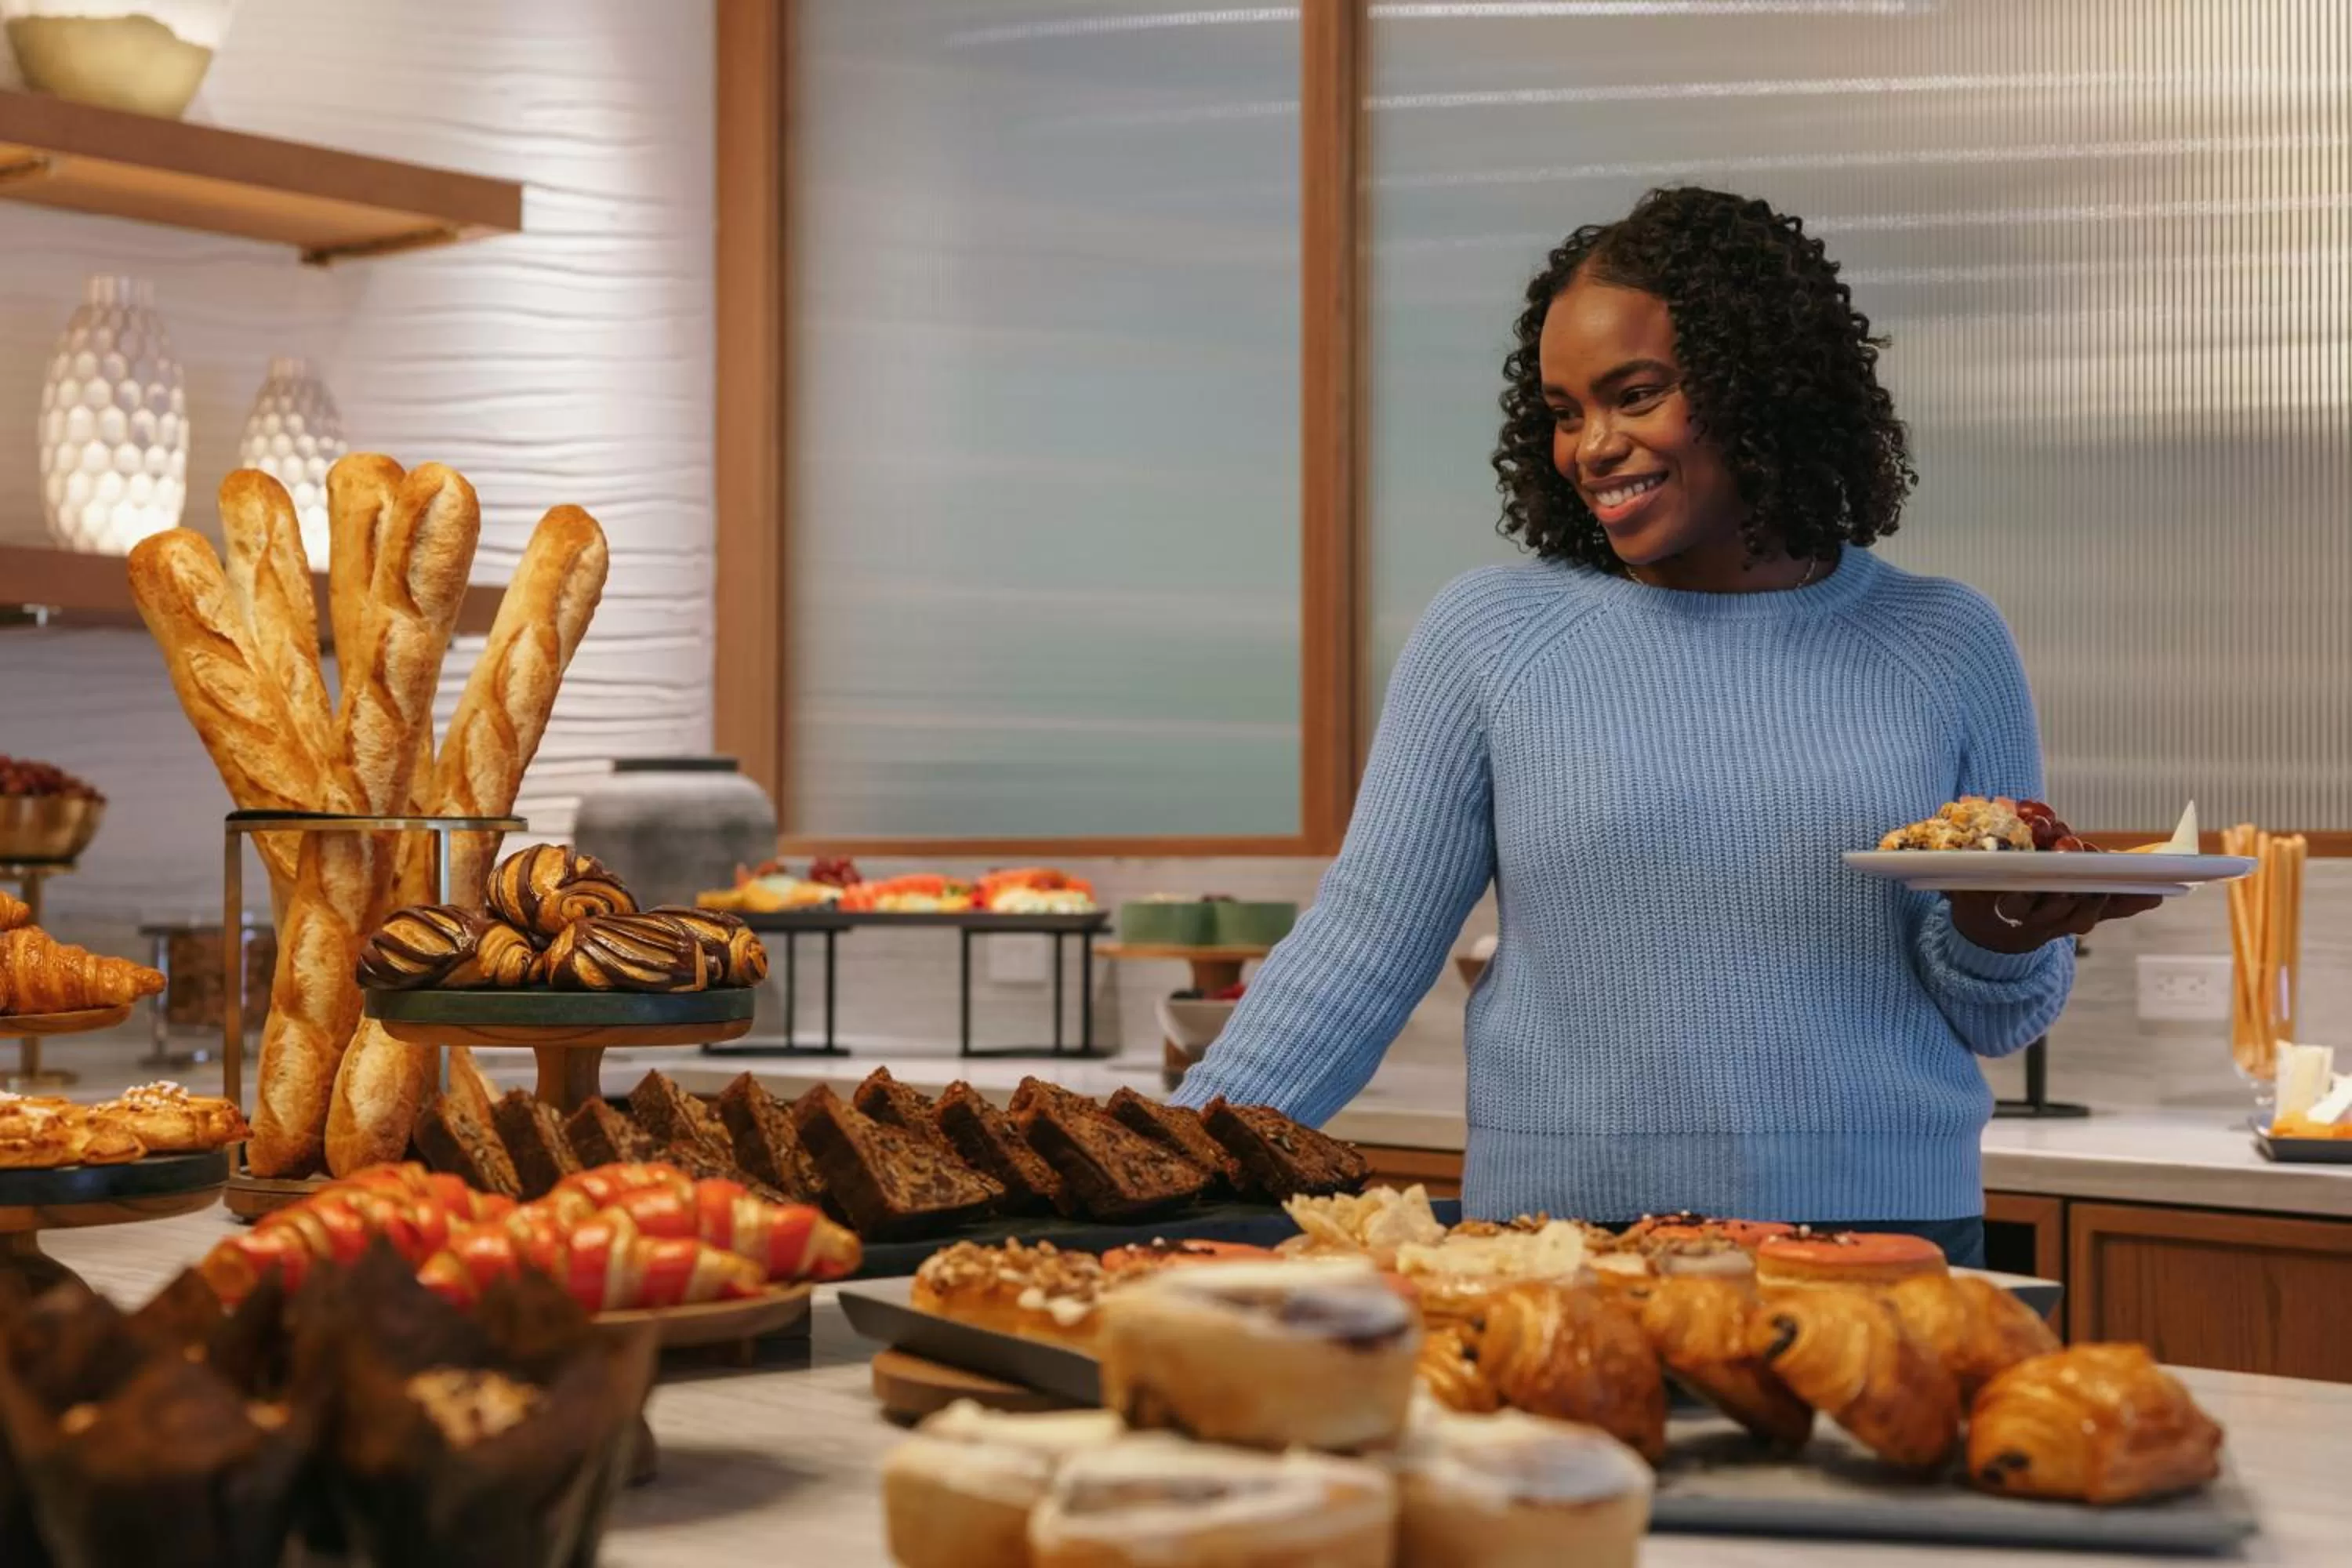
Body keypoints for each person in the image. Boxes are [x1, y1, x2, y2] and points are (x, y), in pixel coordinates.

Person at [1170, 187, 2155, 1267]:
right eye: (1562, 411)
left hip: (1884, 1234)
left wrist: (2004, 930)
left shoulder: (1944, 640)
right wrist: (1166, 1167)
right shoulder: (1492, 636)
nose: (1592, 446)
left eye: (1635, 395)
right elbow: (1359, 951)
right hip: (1558, 1244)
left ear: (1762, 387)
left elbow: (1996, 1015)